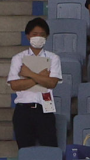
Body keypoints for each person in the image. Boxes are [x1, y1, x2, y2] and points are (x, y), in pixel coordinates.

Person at [7, 17, 62, 148]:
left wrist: (29, 74)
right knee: (25, 150)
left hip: (45, 109)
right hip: (23, 110)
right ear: (28, 36)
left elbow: (52, 83)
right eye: (34, 34)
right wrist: (40, 77)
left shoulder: (53, 58)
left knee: (50, 149)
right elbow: (15, 85)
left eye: (42, 35)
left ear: (47, 36)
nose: (38, 37)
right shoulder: (18, 58)